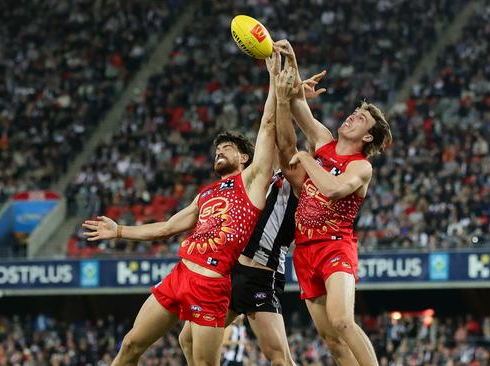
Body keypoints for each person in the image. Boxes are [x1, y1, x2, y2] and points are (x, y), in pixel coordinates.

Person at [81, 68, 277, 365]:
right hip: (180, 276)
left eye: (227, 148)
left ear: (245, 158)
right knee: (131, 344)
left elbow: (268, 125)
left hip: (211, 287)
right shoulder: (207, 194)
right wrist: (119, 231)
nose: (219, 152)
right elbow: (169, 227)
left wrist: (275, 80)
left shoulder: (251, 183)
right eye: (217, 150)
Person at [179, 52, 327, 366]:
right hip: (235, 272)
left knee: (279, 357)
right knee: (187, 337)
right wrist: (290, 89)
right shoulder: (267, 175)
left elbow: (291, 136)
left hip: (262, 274)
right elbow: (272, 130)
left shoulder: (304, 182)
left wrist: (291, 94)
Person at [275, 40, 392, 366]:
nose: (353, 116)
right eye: (355, 112)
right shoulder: (324, 140)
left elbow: (335, 189)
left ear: (367, 137)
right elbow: (295, 102)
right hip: (305, 250)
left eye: (361, 119)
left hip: (335, 247)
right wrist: (291, 60)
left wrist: (305, 159)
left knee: (342, 322)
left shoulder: (360, 165)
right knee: (331, 341)